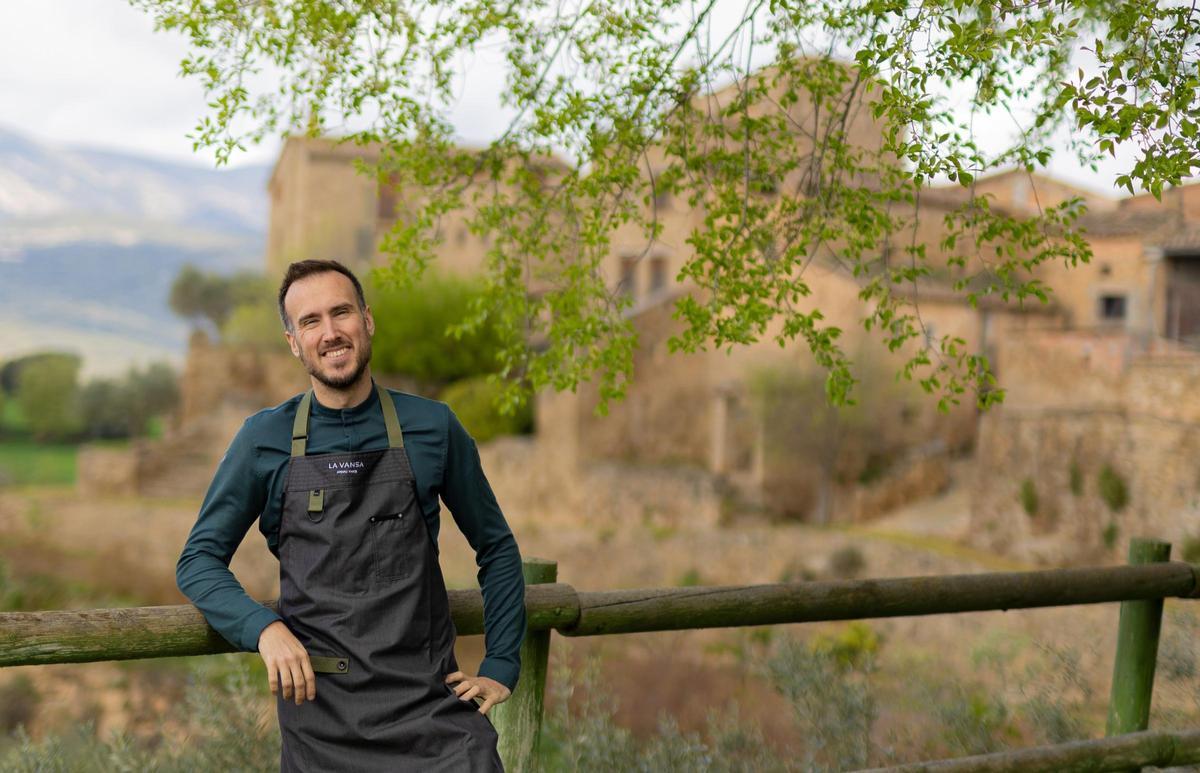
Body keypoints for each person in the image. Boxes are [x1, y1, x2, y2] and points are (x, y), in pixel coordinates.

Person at [176, 259, 526, 771]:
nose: (330, 332)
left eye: (341, 313)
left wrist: (501, 663)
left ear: (367, 321)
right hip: (321, 725)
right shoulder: (262, 440)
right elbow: (198, 560)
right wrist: (263, 629)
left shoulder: (433, 427)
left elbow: (496, 547)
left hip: (433, 718)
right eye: (310, 321)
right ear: (294, 342)